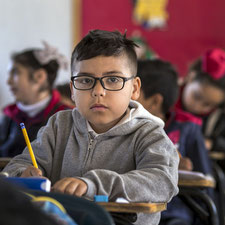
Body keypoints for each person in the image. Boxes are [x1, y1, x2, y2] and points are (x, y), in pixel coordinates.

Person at [3, 30, 179, 225]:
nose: (98, 92)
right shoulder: (59, 125)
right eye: (85, 80)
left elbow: (162, 181)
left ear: (135, 89)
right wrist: (23, 173)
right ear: (72, 90)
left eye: (113, 79)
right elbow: (16, 166)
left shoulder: (149, 134)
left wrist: (93, 184)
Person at [137, 59, 213, 225]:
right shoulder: (123, 128)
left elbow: (205, 181)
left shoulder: (187, 127)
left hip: (173, 212)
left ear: (155, 101)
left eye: (133, 92)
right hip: (133, 210)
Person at [0, 41, 72, 157]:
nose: (8, 82)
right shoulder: (9, 116)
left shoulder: (66, 117)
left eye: (15, 73)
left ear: (39, 76)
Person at [176, 48, 225, 169]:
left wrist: (212, 143)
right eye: (197, 97)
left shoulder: (217, 118)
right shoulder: (167, 99)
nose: (198, 107)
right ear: (191, 77)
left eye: (208, 105)